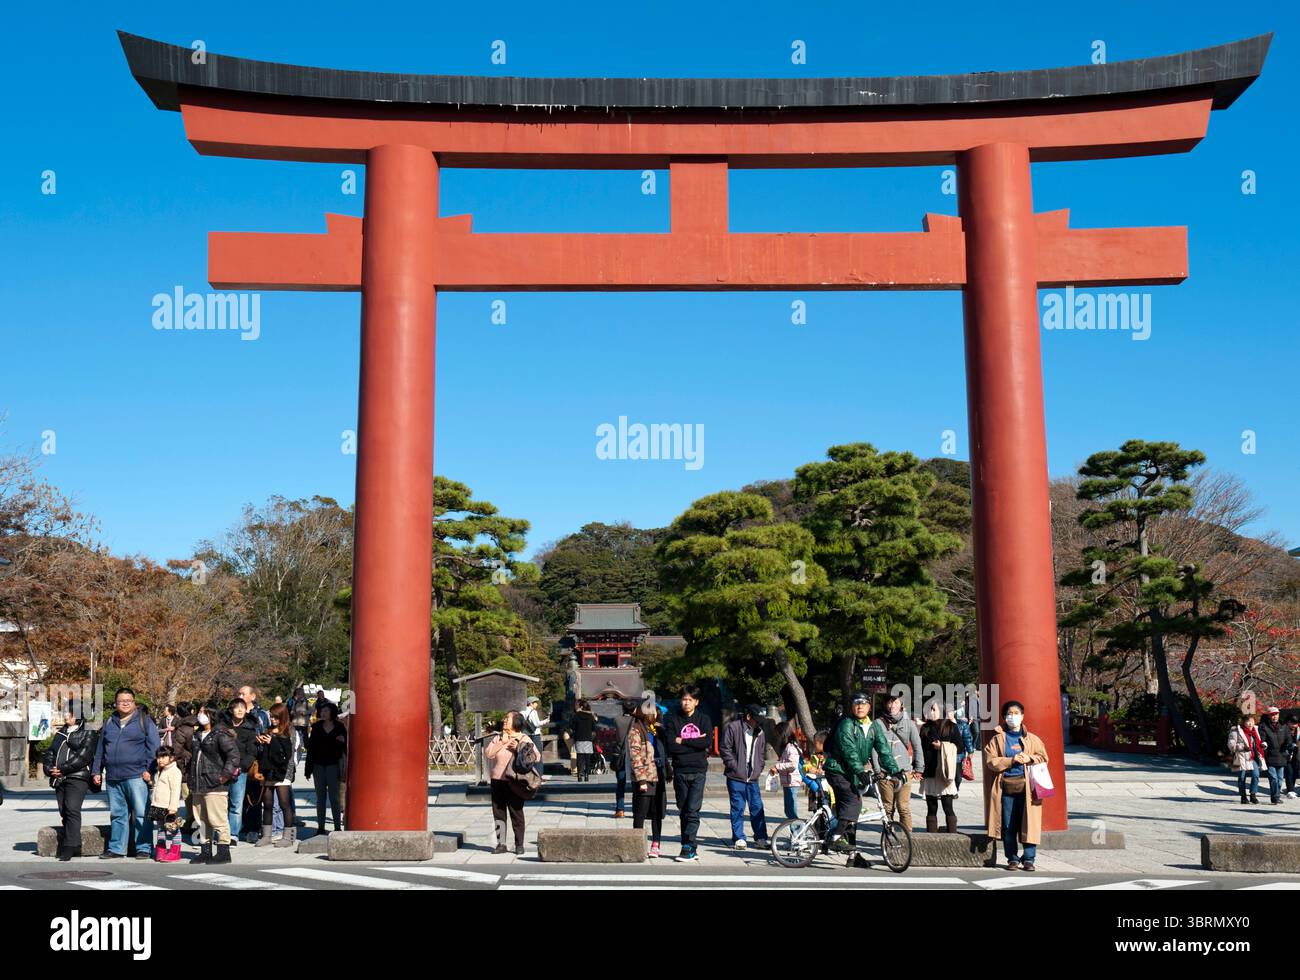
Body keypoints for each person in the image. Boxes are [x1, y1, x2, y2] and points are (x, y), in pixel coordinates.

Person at [824, 692, 900, 863]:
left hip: (852, 773)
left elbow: (884, 750)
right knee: (854, 803)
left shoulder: (873, 727)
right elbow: (849, 752)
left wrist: (895, 770)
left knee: (853, 815)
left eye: (863, 703)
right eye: (856, 703)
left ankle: (852, 855)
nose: (860, 706)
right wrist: (862, 772)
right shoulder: (846, 725)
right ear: (851, 706)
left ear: (869, 707)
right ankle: (834, 838)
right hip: (837, 771)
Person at [91, 688, 160, 860]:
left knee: (142, 813)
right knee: (117, 814)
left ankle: (143, 847)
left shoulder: (144, 720)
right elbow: (100, 748)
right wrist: (96, 770)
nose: (125, 703)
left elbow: (154, 748)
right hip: (113, 776)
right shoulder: (109, 721)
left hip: (137, 775)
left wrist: (149, 770)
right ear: (116, 703)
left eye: (129, 700)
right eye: (122, 700)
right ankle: (116, 848)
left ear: (134, 702)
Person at [982, 700, 1048, 872]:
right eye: (1009, 714)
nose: (1013, 717)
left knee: (1029, 823)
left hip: (1028, 788)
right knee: (1008, 825)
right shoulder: (997, 739)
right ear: (1004, 717)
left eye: (1016, 713)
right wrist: (1011, 760)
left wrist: (1030, 758)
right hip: (1006, 787)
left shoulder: (1032, 739)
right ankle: (1012, 858)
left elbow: (1043, 757)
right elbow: (991, 761)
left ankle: (1029, 858)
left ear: (1022, 716)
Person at [663, 685, 714, 863]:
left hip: (698, 770)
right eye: (684, 699)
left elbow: (706, 742)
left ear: (696, 702)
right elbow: (671, 745)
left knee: (692, 810)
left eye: (690, 700)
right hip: (680, 770)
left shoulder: (704, 719)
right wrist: (695, 742)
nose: (686, 703)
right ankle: (688, 844)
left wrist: (683, 740)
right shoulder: (672, 718)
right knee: (683, 810)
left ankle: (688, 846)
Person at [43, 708, 98, 862]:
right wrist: (49, 768)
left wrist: (63, 768)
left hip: (77, 776)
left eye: (70, 714)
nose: (66, 716)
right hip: (59, 778)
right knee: (64, 811)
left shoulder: (89, 732)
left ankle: (69, 846)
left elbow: (84, 755)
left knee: (72, 809)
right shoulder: (61, 732)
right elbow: (50, 753)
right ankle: (73, 841)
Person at [187, 703, 238, 864]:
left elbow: (233, 756)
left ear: (212, 715)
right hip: (197, 783)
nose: (200, 714)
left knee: (218, 819)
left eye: (203, 712)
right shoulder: (197, 734)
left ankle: (224, 851)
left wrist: (224, 775)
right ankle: (205, 851)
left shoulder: (220, 733)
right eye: (199, 711)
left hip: (215, 783)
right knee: (201, 819)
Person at [870, 693, 924, 833]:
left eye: (895, 702)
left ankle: (907, 840)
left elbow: (917, 746)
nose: (892, 705)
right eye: (889, 702)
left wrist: (919, 768)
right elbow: (874, 748)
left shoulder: (909, 724)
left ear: (901, 704)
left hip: (904, 771)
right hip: (884, 772)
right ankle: (889, 839)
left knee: (903, 807)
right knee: (887, 808)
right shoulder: (877, 723)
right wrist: (877, 770)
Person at [720, 704, 769, 850]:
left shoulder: (760, 732)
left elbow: (761, 754)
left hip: (752, 776)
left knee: (757, 807)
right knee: (737, 807)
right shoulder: (733, 727)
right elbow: (725, 748)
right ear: (748, 717)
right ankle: (739, 837)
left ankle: (760, 837)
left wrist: (759, 768)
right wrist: (734, 766)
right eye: (757, 719)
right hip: (736, 776)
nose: (759, 723)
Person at [485, 711, 531, 854]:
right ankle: (501, 844)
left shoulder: (523, 738)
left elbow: (535, 756)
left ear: (516, 722)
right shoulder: (498, 737)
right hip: (497, 780)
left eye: (508, 719)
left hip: (515, 781)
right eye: (505, 718)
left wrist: (517, 749)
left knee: (516, 812)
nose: (505, 721)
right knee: (498, 813)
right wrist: (502, 743)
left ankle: (519, 845)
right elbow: (489, 753)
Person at [255, 703, 298, 848]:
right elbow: (264, 754)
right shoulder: (268, 731)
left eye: (276, 717)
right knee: (267, 805)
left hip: (282, 773)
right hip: (268, 773)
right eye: (271, 717)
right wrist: (260, 743)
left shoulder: (287, 733)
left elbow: (285, 755)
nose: (273, 720)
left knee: (284, 804)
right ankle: (267, 835)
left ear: (282, 717)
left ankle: (288, 836)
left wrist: (272, 742)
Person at [627, 703, 667, 858]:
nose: (657, 714)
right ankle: (637, 843)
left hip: (659, 775)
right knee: (641, 812)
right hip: (645, 776)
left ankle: (656, 844)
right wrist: (641, 779)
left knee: (658, 812)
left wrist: (668, 770)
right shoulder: (636, 729)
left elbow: (663, 752)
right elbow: (635, 756)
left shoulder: (656, 730)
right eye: (654, 712)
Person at [305, 699, 348, 834]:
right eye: (321, 711)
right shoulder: (316, 727)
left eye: (326, 711)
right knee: (320, 797)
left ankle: (337, 826)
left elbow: (345, 748)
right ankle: (321, 827)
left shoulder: (339, 726)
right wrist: (308, 768)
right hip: (318, 764)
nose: (322, 713)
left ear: (332, 712)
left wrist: (342, 741)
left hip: (334, 764)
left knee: (334, 797)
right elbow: (311, 748)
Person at [920, 702, 962, 833]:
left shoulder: (951, 726)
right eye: (929, 710)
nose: (931, 712)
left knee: (947, 806)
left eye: (934, 709)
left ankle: (953, 836)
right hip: (930, 770)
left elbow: (960, 747)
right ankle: (931, 837)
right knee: (931, 807)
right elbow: (920, 749)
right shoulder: (925, 728)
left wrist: (942, 746)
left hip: (945, 771)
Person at [223, 698, 259, 843]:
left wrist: (242, 767)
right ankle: (221, 833)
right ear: (231, 710)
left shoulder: (250, 729)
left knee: (236, 803)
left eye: (242, 708)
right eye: (236, 707)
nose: (239, 710)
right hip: (222, 769)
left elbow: (252, 752)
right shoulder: (222, 727)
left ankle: (233, 834)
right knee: (220, 803)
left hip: (240, 771)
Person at [149, 746, 183, 862]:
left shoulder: (174, 771)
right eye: (158, 757)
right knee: (160, 829)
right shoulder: (160, 770)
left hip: (168, 807)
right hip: (158, 805)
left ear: (171, 758)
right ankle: (161, 851)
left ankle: (175, 851)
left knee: (173, 829)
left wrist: (173, 807)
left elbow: (175, 790)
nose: (160, 760)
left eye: (164, 757)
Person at [171, 701, 199, 840]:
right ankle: (195, 822)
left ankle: (192, 822)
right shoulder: (199, 725)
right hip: (200, 765)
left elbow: (177, 749)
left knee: (188, 795)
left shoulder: (182, 728)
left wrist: (172, 760)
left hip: (186, 765)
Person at [770, 720, 805, 821]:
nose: (777, 737)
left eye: (778, 734)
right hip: (788, 782)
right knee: (789, 811)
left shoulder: (791, 747)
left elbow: (793, 765)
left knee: (791, 812)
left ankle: (798, 834)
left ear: (783, 734)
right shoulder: (787, 747)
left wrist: (778, 766)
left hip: (792, 782)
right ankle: (796, 833)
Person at [1228, 713, 1266, 805]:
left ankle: (1253, 795)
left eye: (1252, 721)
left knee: (1256, 775)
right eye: (1248, 721)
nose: (1250, 724)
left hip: (1252, 756)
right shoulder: (1236, 730)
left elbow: (1261, 741)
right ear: (1243, 722)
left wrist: (1263, 745)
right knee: (1242, 777)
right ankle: (1243, 796)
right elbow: (1231, 744)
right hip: (1241, 757)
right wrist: (1242, 747)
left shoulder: (1256, 730)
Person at [1259, 706, 1293, 806]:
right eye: (1272, 715)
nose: (1275, 716)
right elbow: (1262, 739)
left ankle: (1276, 795)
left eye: (1276, 714)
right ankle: (1275, 797)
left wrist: (1289, 745)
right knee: (1273, 778)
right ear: (1269, 716)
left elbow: (1289, 739)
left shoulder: (1284, 726)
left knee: (1279, 780)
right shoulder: (1263, 726)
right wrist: (1263, 744)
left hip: (1282, 756)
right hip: (1270, 756)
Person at [611, 699, 635, 817]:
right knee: (637, 782)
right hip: (634, 754)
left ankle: (620, 809)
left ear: (623, 708)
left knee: (620, 783)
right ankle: (637, 807)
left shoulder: (617, 719)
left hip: (620, 754)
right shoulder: (636, 721)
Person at [521, 695, 549, 780]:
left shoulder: (522, 711)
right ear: (531, 703)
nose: (536, 704)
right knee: (538, 755)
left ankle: (528, 774)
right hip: (535, 736)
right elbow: (537, 724)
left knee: (527, 755)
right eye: (535, 703)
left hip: (526, 735)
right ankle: (539, 775)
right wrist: (545, 721)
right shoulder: (533, 712)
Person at [570, 699, 597, 782]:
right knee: (587, 758)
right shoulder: (590, 716)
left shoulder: (576, 716)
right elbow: (594, 728)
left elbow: (572, 726)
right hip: (588, 739)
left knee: (579, 758)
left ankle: (579, 775)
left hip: (579, 738)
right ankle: (586, 775)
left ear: (581, 707)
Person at [953, 704, 975, 798]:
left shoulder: (962, 725)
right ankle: (950, 791)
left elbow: (967, 738)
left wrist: (970, 751)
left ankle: (955, 789)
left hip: (959, 754)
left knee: (958, 776)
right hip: (946, 755)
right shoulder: (943, 724)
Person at [289, 687, 311, 762]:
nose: (299, 695)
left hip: (303, 723)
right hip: (295, 723)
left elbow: (311, 711)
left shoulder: (307, 702)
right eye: (298, 694)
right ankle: (294, 751)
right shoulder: (295, 702)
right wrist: (294, 713)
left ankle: (309, 753)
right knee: (295, 738)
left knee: (305, 739)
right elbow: (291, 711)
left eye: (301, 693)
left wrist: (304, 713)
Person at [1286, 715, 1300, 800]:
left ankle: (1292, 789)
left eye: (1296, 723)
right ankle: (1290, 790)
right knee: (1289, 772)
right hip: (1286, 754)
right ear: (1288, 723)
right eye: (1292, 723)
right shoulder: (1284, 730)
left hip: (1297, 754)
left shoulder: (1298, 731)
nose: (1294, 725)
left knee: (1295, 772)